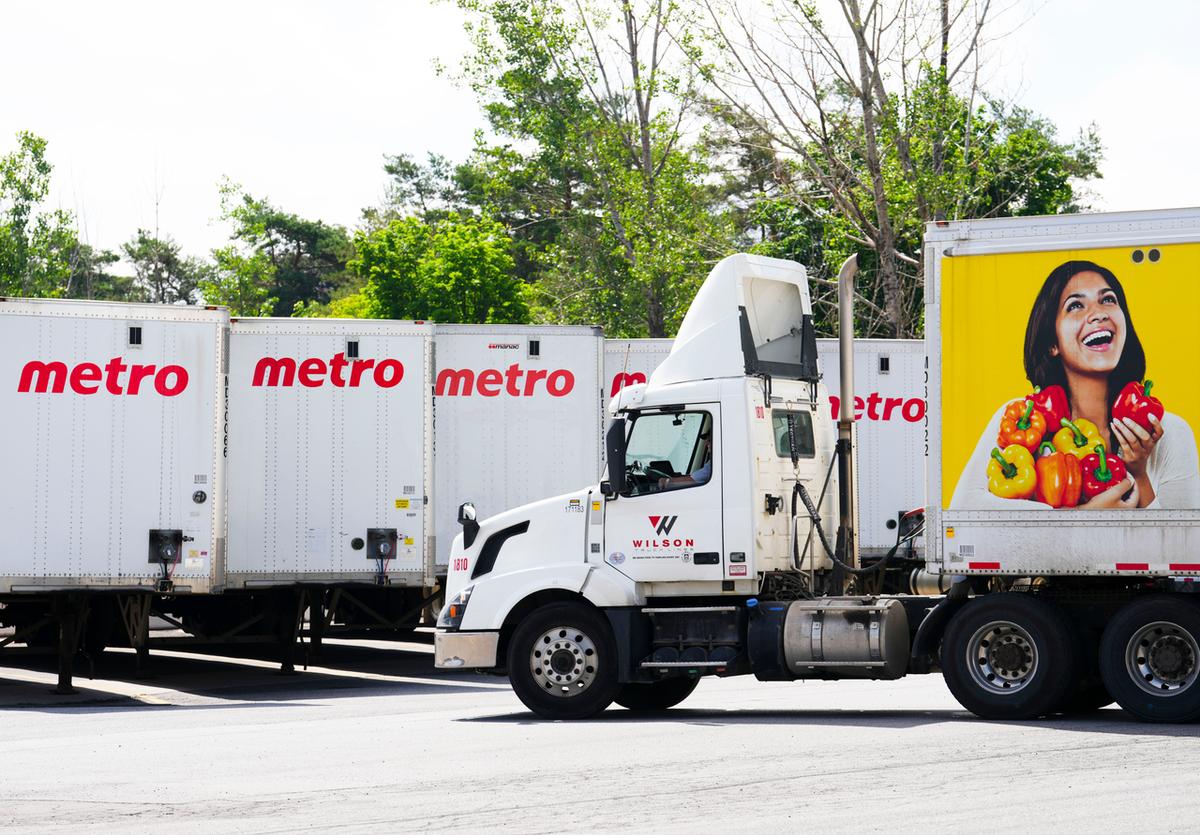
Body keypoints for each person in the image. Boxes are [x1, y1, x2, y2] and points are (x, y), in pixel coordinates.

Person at [951, 260, 1200, 510]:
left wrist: (1139, 473)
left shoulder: (1171, 431)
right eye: (1076, 305)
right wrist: (1084, 516)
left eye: (1108, 300)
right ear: (1053, 343)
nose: (1099, 313)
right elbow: (964, 510)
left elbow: (1183, 540)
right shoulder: (1018, 420)